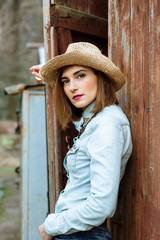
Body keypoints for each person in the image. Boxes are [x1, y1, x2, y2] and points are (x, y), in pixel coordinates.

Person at [30, 42, 132, 240]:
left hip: (82, 235)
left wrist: (50, 226)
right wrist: (49, 78)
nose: (71, 87)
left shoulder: (106, 124)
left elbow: (100, 206)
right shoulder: (94, 121)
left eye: (80, 75)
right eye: (65, 81)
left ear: (99, 77)